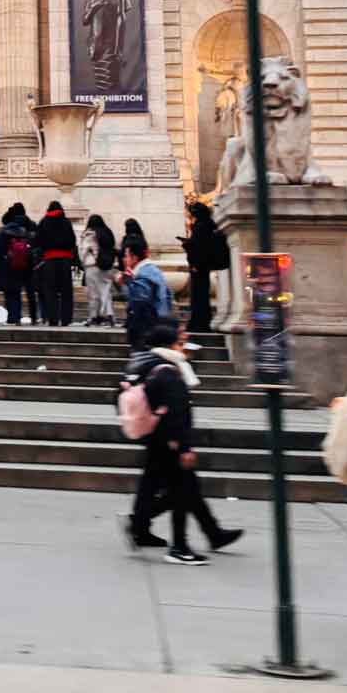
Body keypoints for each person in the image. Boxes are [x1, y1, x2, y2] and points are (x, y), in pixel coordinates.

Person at [122, 318, 245, 564]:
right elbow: (178, 411)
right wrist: (183, 446)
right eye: (180, 338)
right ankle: (179, 545)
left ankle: (207, 533)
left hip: (154, 435)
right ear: (170, 343)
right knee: (183, 491)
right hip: (169, 441)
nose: (184, 341)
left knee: (180, 488)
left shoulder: (142, 362)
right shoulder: (168, 370)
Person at [180, 201, 229, 334]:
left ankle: (199, 323)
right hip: (204, 266)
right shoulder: (209, 224)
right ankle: (202, 322)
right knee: (202, 295)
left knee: (198, 296)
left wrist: (188, 246)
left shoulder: (200, 226)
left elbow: (199, 247)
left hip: (199, 267)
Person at [120, 238, 171, 352]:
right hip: (158, 325)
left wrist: (126, 283)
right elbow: (168, 296)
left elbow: (139, 301)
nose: (124, 259)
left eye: (126, 255)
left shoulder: (143, 274)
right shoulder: (154, 272)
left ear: (134, 257)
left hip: (145, 329)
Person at [32, 200, 78, 327]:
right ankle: (66, 318)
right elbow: (72, 241)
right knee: (66, 291)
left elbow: (37, 241)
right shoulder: (66, 222)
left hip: (50, 260)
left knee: (50, 291)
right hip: (64, 260)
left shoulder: (44, 222)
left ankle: (52, 318)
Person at [0, 203, 35, 325]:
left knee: (10, 293)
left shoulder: (5, 230)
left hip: (8, 265)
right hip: (25, 264)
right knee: (26, 292)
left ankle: (13, 317)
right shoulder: (28, 228)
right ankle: (33, 316)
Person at [80, 214, 118, 327]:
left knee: (93, 293)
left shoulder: (89, 234)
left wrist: (82, 262)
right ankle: (109, 314)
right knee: (105, 291)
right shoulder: (107, 233)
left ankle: (93, 316)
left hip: (92, 266)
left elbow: (84, 251)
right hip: (107, 265)